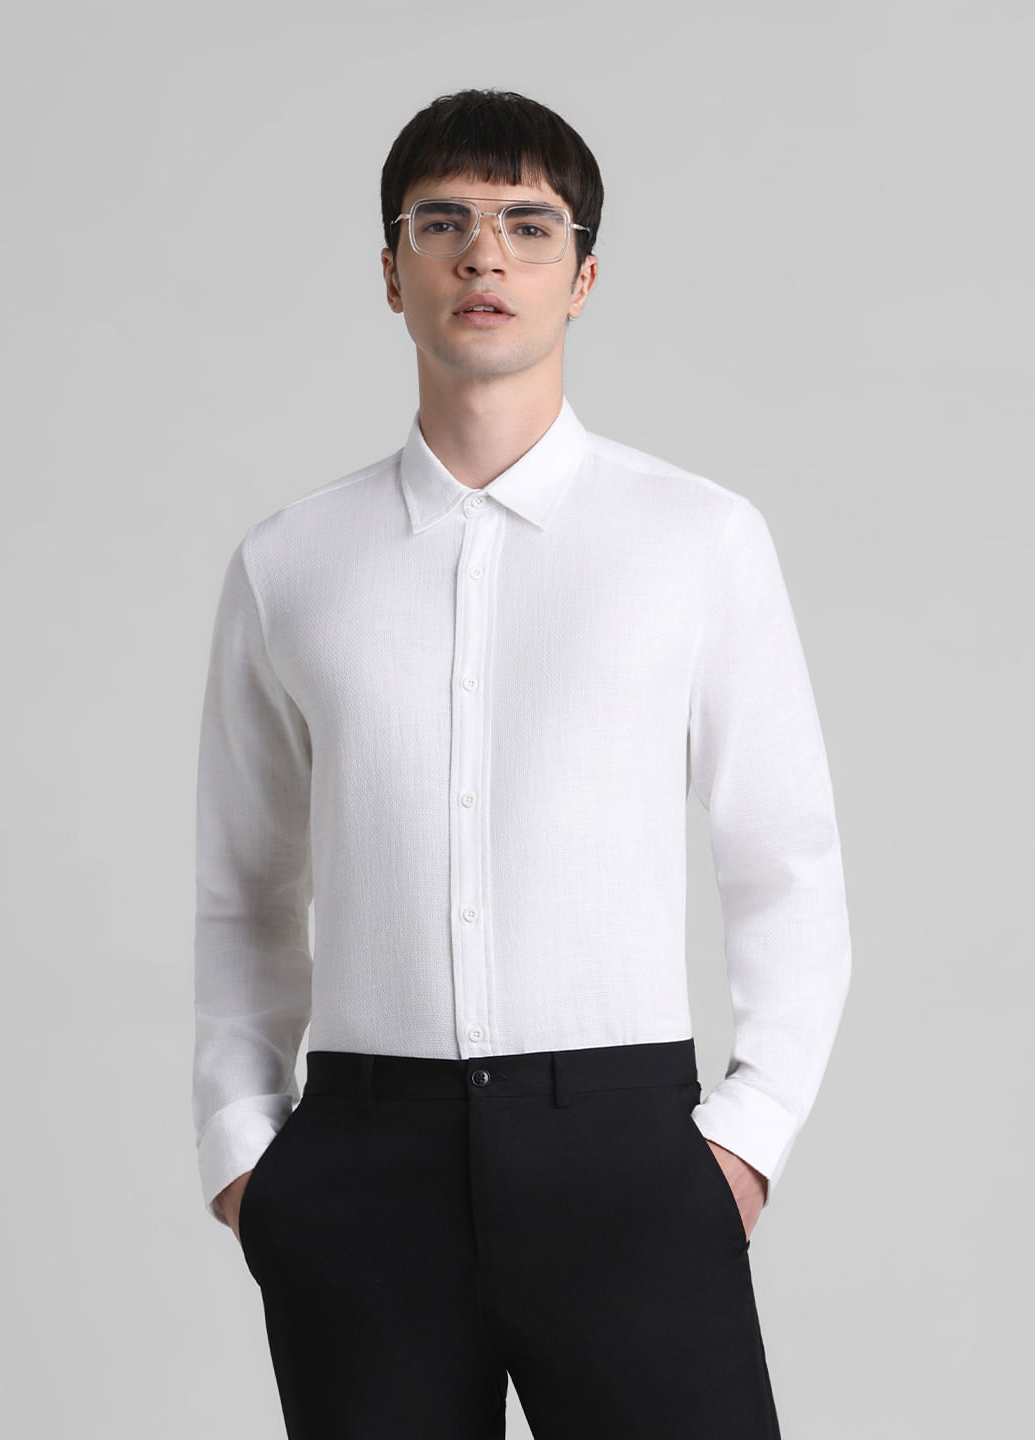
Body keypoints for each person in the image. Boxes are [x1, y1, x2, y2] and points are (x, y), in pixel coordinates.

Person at [191, 87, 851, 1439]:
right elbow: (243, 890)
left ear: (582, 276)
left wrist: (748, 1138)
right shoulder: (290, 564)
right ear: (392, 273)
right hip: (361, 1169)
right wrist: (244, 1150)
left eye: (527, 225)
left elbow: (786, 862)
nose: (483, 255)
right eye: (441, 223)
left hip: (626, 1159)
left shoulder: (697, 541)